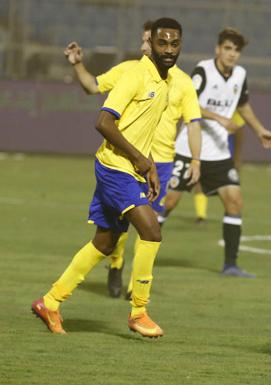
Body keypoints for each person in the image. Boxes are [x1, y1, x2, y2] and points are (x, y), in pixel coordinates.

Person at [31, 18, 185, 338]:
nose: (168, 50)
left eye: (174, 44)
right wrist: (140, 159)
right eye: (162, 43)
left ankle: (51, 301)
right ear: (150, 44)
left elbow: (142, 130)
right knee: (152, 232)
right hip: (116, 168)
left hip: (128, 168)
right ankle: (139, 311)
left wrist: (150, 166)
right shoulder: (134, 74)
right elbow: (103, 122)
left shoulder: (167, 81)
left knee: (105, 242)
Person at [63, 21, 202, 298]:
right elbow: (94, 89)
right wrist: (78, 65)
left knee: (149, 227)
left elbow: (194, 122)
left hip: (159, 162)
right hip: (128, 160)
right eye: (147, 41)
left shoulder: (181, 82)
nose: (144, 47)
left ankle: (130, 290)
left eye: (148, 42)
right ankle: (122, 275)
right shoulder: (131, 71)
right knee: (137, 227)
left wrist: (196, 160)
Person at [161, 27, 271, 278]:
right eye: (227, 48)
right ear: (218, 49)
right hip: (188, 148)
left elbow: (243, 105)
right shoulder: (204, 70)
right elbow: (188, 103)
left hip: (219, 153)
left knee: (235, 201)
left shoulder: (240, 75)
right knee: (168, 203)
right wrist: (220, 119)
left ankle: (230, 265)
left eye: (236, 50)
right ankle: (141, 250)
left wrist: (260, 130)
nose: (232, 54)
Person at [193, 112, 246, 224]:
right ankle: (201, 215)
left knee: (230, 188)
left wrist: (237, 156)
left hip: (225, 145)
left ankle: (230, 213)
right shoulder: (205, 102)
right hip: (205, 143)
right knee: (198, 178)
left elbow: (239, 129)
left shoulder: (232, 105)